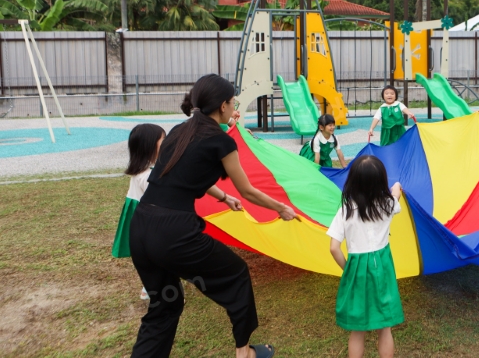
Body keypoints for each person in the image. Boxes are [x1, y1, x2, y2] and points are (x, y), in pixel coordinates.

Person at [129, 74, 297, 358]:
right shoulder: (220, 141)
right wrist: (281, 208)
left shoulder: (178, 132)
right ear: (223, 106)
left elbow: (184, 174)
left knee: (165, 306)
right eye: (233, 103)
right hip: (174, 234)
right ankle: (245, 353)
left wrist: (222, 196)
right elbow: (248, 190)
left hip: (142, 226)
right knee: (237, 275)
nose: (234, 109)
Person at [327, 155, 404, 358]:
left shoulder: (345, 210)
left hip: (357, 268)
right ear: (380, 182)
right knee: (384, 327)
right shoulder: (387, 204)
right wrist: (396, 187)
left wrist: (348, 270)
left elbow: (334, 247)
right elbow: (396, 195)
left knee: (357, 328)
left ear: (352, 181)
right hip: (382, 267)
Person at [112, 123, 166, 300]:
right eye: (163, 141)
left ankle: (151, 286)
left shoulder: (143, 170)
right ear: (149, 147)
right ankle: (155, 289)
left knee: (152, 256)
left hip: (142, 220)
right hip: (150, 221)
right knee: (159, 255)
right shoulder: (148, 176)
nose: (167, 144)